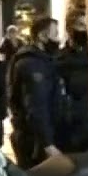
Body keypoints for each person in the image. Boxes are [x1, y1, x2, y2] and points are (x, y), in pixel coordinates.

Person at [6, 17, 64, 168]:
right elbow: (36, 105)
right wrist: (47, 144)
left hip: (36, 138)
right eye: (55, 34)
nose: (58, 39)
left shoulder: (42, 60)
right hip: (34, 142)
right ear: (42, 36)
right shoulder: (32, 64)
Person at [57, 16, 88, 153]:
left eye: (87, 25)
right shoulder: (59, 57)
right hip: (69, 122)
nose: (85, 29)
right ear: (69, 29)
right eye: (81, 25)